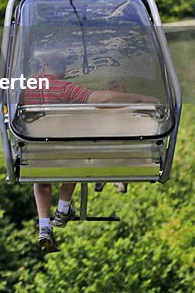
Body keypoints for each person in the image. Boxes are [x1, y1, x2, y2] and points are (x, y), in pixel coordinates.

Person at [22, 53, 158, 253]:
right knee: (75, 152)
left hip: (37, 152)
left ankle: (44, 225)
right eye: (62, 61)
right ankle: (63, 208)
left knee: (42, 170)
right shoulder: (64, 88)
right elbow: (104, 98)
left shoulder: (25, 87)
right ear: (45, 62)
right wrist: (144, 99)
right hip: (68, 154)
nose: (66, 66)